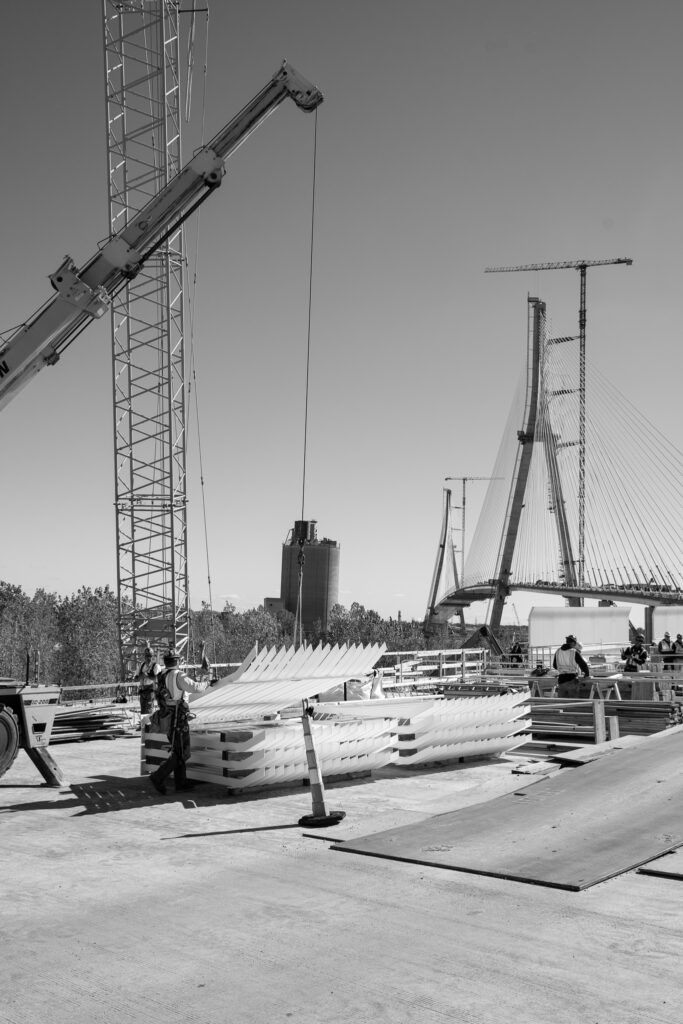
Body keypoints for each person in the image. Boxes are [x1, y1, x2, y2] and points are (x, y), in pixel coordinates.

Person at [148, 648, 210, 795]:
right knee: (183, 752)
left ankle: (181, 783)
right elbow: (196, 688)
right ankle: (158, 776)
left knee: (178, 750)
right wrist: (207, 682)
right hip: (178, 718)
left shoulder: (161, 675)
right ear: (177, 661)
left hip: (167, 717)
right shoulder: (179, 675)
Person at [135, 646, 161, 715]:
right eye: (146, 656)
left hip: (150, 691)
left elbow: (157, 678)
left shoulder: (156, 666)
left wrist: (147, 675)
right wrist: (141, 676)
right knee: (143, 711)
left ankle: (149, 725)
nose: (148, 658)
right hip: (142, 691)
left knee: (149, 711)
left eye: (149, 656)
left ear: (152, 656)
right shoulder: (141, 666)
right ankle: (144, 725)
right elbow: (136, 678)